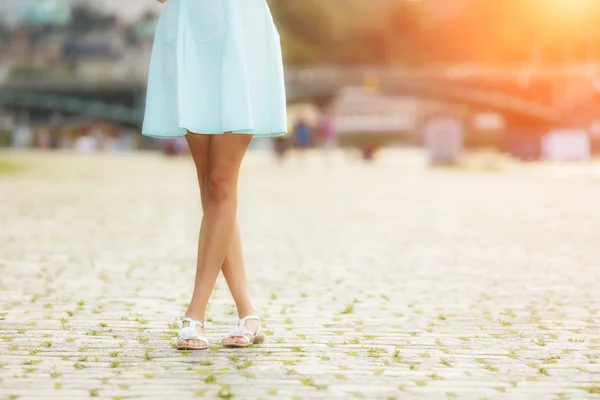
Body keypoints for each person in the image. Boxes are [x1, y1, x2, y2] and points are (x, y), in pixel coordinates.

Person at [142, 0, 287, 350]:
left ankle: (196, 313)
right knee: (212, 188)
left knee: (221, 183)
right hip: (190, 30)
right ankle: (248, 312)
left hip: (240, 28)